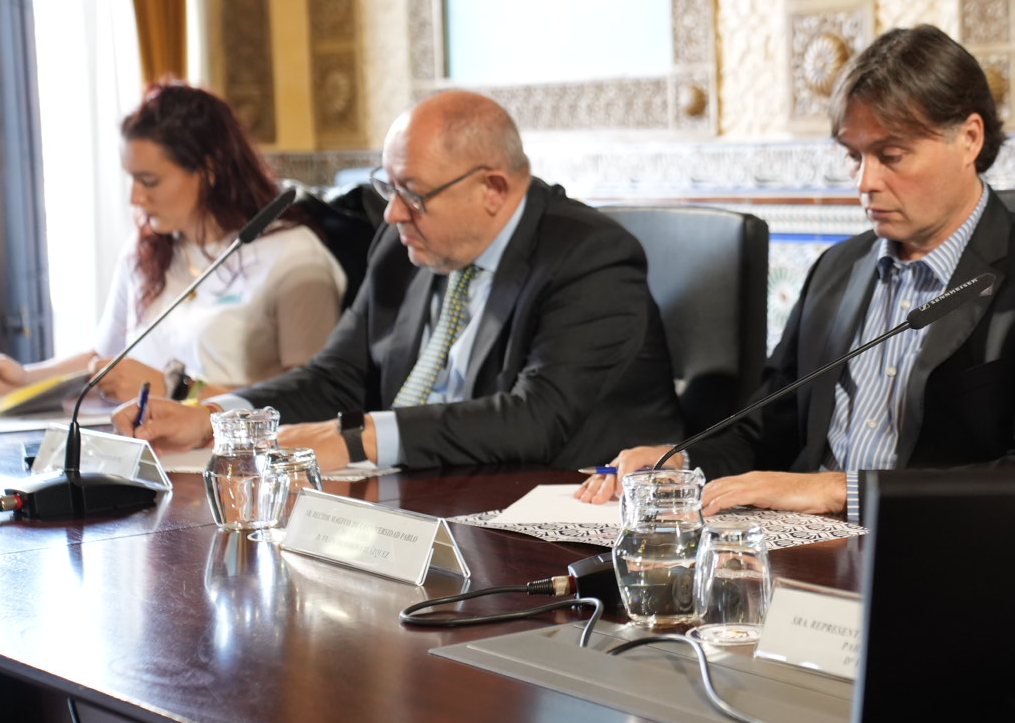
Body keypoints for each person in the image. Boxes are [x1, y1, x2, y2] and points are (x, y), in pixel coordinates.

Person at [580, 24, 1015, 518]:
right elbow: (763, 430)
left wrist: (845, 490)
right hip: (801, 544)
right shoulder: (837, 269)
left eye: (892, 155)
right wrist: (680, 461)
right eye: (853, 156)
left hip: (942, 550)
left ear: (969, 139)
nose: (865, 182)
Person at [116, 89, 683, 473]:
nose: (392, 213)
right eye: (387, 187)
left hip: (557, 513)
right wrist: (214, 418)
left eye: (412, 192)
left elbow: (534, 418)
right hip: (430, 495)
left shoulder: (589, 258)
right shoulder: (400, 244)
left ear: (492, 189)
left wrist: (361, 438)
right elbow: (336, 377)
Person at [0, 82, 345, 404]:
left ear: (209, 170)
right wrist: (26, 379)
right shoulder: (144, 251)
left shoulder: (295, 258)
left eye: (150, 181)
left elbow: (309, 396)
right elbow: (105, 358)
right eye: (132, 179)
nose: (135, 198)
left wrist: (179, 390)